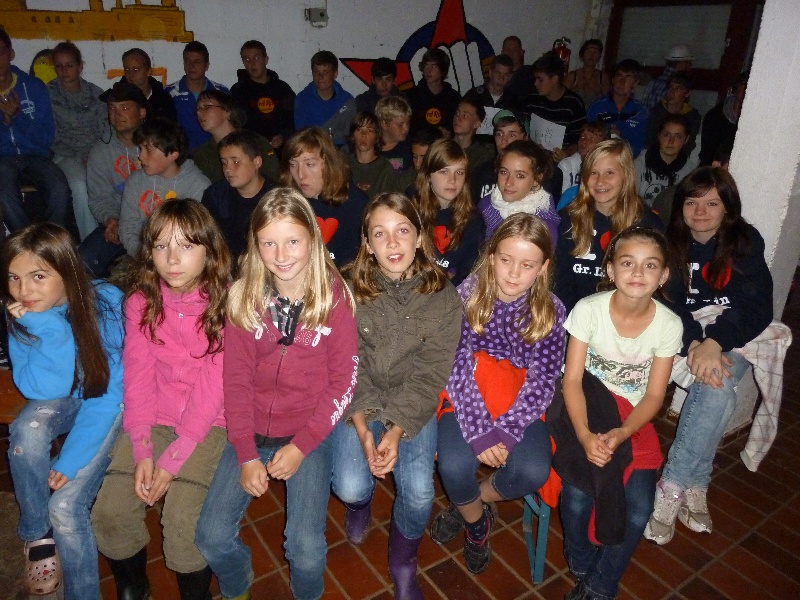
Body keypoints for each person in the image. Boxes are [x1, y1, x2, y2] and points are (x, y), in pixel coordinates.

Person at [195, 187, 358, 600]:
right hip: (249, 430)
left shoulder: (334, 299)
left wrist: (302, 446)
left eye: (292, 241)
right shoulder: (243, 297)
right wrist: (246, 453)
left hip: (308, 431)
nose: (281, 255)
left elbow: (344, 383)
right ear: (255, 244)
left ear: (312, 240)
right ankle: (237, 586)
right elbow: (235, 380)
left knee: (305, 549)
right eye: (268, 243)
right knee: (211, 537)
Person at [91, 199, 231, 600]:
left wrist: (171, 461)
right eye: (160, 245)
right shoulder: (141, 302)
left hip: (210, 423)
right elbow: (138, 378)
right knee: (111, 511)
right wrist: (142, 448)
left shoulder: (228, 303)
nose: (172, 258)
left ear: (209, 250)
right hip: (154, 416)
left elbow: (214, 389)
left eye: (185, 245)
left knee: (184, 524)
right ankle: (134, 587)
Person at [331, 192, 461, 600]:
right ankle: (359, 504)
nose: (392, 243)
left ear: (420, 237)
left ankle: (403, 561)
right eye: (380, 234)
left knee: (420, 492)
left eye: (402, 231)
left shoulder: (443, 296)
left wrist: (396, 429)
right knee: (350, 485)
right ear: (367, 243)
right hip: (359, 397)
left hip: (412, 402)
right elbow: (346, 365)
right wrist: (364, 430)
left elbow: (430, 374)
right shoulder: (347, 289)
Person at [643, 167, 773, 545]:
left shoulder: (745, 241)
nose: (700, 211)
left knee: (716, 383)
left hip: (731, 334)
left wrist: (715, 342)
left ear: (728, 207)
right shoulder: (669, 243)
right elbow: (667, 302)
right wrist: (694, 344)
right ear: (680, 206)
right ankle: (696, 481)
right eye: (692, 202)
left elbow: (757, 305)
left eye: (712, 203)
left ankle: (672, 484)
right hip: (684, 334)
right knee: (718, 390)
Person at [431, 213, 566, 573]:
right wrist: (480, 432)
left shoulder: (551, 310)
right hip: (468, 392)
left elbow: (543, 380)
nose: (513, 273)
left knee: (532, 471)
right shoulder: (468, 294)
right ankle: (477, 525)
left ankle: (468, 504)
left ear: (543, 267)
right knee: (454, 465)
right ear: (491, 257)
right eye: (506, 260)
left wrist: (506, 432)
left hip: (519, 400)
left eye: (527, 265)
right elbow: (456, 366)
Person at [556, 226, 682, 600]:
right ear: (610, 270)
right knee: (578, 494)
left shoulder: (668, 324)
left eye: (650, 265)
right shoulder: (588, 310)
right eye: (627, 263)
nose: (638, 273)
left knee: (640, 508)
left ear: (663, 275)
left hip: (631, 418)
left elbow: (654, 395)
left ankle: (602, 583)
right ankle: (581, 564)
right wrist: (583, 434)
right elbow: (572, 381)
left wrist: (625, 431)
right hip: (584, 406)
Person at [4, 223, 124, 599]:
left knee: (67, 507)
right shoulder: (25, 315)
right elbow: (43, 389)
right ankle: (37, 534)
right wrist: (48, 329)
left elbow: (107, 397)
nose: (24, 290)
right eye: (14, 278)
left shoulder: (106, 304)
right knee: (25, 434)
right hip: (66, 394)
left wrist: (71, 458)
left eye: (38, 276)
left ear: (67, 272)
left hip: (109, 401)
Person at [554, 139, 663, 314]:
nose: (600, 181)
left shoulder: (647, 224)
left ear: (626, 175)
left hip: (629, 316)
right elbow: (560, 281)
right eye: (593, 173)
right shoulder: (569, 220)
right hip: (577, 316)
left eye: (609, 173)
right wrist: (579, 318)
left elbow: (654, 284)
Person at [0, 30, 73, 233]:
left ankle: (53, 241)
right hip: (2, 158)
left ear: (11, 54)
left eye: (1, 52)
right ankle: (26, 241)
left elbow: (46, 138)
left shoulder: (33, 87)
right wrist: (5, 121)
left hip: (35, 155)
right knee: (4, 192)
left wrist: (18, 117)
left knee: (59, 189)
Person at [80, 81, 146, 277]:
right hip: (120, 223)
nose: (116, 114)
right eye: (112, 108)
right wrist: (111, 219)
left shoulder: (158, 144)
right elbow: (99, 198)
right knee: (82, 261)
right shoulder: (101, 152)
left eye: (124, 107)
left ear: (142, 112)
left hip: (157, 225)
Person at [119, 117, 211, 257]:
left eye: (148, 150)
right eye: (140, 149)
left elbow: (195, 237)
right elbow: (128, 226)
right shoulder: (135, 181)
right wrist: (144, 255)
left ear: (173, 154)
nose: (140, 156)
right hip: (143, 255)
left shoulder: (198, 186)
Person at [280, 127, 368, 268]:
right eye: (293, 165)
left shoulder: (356, 204)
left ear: (328, 164)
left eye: (310, 164)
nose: (300, 174)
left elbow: (359, 264)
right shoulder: (287, 204)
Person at [47, 41, 108, 241]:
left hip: (95, 152)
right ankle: (90, 242)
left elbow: (105, 128)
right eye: (59, 66)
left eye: (69, 65)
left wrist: (95, 154)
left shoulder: (96, 93)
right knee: (80, 185)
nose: (64, 71)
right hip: (64, 155)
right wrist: (78, 154)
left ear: (80, 66)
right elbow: (49, 133)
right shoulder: (48, 94)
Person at [414, 138, 484, 285]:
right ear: (428, 175)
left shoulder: (473, 221)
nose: (452, 180)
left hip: (450, 294)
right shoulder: (410, 210)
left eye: (459, 172)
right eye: (444, 171)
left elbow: (467, 275)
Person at [202, 129, 275, 263]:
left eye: (236, 162)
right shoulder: (215, 196)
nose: (228, 169)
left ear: (257, 162)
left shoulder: (276, 198)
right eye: (224, 163)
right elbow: (205, 239)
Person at [192, 88, 279, 184]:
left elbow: (273, 177)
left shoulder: (256, 142)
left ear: (227, 111)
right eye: (198, 109)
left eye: (206, 106)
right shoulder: (202, 154)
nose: (199, 113)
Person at [478, 139, 559, 242]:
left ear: (536, 179)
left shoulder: (543, 224)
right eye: (504, 172)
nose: (508, 182)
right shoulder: (486, 205)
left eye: (520, 176)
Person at [166, 41, 230, 152]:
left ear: (207, 65)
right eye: (187, 61)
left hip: (217, 154)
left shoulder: (221, 92)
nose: (191, 66)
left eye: (197, 61)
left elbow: (231, 126)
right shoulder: (169, 93)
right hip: (182, 155)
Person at [327, 57, 407, 145]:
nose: (384, 84)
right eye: (379, 79)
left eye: (388, 79)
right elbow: (333, 127)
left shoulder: (404, 102)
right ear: (373, 80)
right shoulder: (361, 102)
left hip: (400, 147)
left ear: (394, 80)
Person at [231, 40, 296, 149]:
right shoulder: (238, 91)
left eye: (256, 58)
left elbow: (293, 120)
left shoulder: (282, 89)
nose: (252, 63)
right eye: (247, 59)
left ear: (266, 59)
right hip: (250, 150)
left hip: (281, 151)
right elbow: (233, 125)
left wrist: (282, 137)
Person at [523, 51, 587, 160]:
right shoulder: (531, 100)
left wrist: (566, 153)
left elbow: (581, 140)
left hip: (561, 160)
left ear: (554, 79)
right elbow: (522, 130)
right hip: (533, 156)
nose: (535, 83)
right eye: (535, 79)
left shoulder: (573, 103)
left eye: (540, 80)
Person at [587, 60, 649, 158]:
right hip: (599, 157)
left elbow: (637, 147)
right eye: (619, 76)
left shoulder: (640, 112)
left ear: (635, 83)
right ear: (613, 80)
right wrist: (607, 137)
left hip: (626, 160)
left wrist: (620, 141)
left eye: (628, 77)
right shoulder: (597, 107)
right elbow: (588, 139)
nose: (622, 82)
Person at [634, 114, 697, 207]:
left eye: (678, 136)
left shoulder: (690, 173)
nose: (671, 141)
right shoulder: (639, 164)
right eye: (667, 135)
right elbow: (630, 199)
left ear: (686, 139)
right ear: (659, 136)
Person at [294, 50, 353, 145]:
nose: (320, 76)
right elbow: (301, 136)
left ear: (335, 74)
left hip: (340, 151)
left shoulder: (347, 101)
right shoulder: (302, 100)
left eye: (325, 72)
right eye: (316, 71)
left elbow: (350, 137)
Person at [343, 111, 403, 200]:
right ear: (352, 136)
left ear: (376, 137)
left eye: (369, 130)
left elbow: (388, 202)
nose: (364, 135)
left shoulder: (384, 169)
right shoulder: (344, 164)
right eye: (359, 130)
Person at [407, 48, 462, 136]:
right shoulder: (412, 96)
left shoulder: (453, 98)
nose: (428, 71)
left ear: (442, 70)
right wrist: (435, 131)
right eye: (426, 65)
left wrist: (449, 133)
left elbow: (458, 124)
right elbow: (410, 127)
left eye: (433, 66)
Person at [698, 72, 748, 166]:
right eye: (743, 85)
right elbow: (707, 154)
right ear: (736, 86)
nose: (746, 90)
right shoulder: (714, 116)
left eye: (749, 86)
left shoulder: (756, 123)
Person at [557, 121, 611, 207]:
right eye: (583, 136)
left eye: (592, 139)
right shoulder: (566, 165)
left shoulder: (608, 168)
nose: (584, 141)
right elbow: (564, 199)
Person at [646, 73, 701, 155]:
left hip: (679, 157)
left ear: (687, 93)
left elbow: (689, 143)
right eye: (670, 87)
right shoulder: (655, 112)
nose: (672, 92)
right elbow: (649, 141)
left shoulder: (693, 116)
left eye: (678, 89)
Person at [121, 47, 176, 122]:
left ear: (148, 71)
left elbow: (170, 127)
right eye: (127, 69)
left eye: (136, 69)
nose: (130, 74)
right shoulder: (118, 99)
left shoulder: (163, 101)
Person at [640, 44, 694, 110]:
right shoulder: (678, 86)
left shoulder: (653, 82)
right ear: (683, 63)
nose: (690, 67)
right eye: (689, 63)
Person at [564, 39, 611, 108]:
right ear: (582, 54)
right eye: (588, 52)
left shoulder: (603, 78)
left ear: (599, 56)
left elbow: (608, 103)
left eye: (595, 52)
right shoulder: (572, 76)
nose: (591, 55)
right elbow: (562, 99)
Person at [452, 97, 495, 172]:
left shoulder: (481, 155)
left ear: (476, 124)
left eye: (465, 116)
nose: (458, 118)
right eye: (457, 113)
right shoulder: (442, 147)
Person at [376, 95, 413, 172]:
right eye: (400, 125)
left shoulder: (411, 147)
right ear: (384, 124)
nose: (406, 128)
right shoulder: (370, 147)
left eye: (408, 123)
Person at [502, 36, 535, 105]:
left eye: (515, 50)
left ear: (521, 52)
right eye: (507, 50)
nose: (511, 53)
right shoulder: (496, 76)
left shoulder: (530, 74)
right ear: (502, 52)